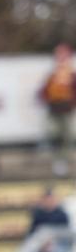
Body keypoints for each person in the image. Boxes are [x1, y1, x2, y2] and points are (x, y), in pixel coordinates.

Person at [39, 44, 76, 175]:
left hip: (67, 111)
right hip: (54, 111)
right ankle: (58, 161)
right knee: (54, 135)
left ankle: (64, 161)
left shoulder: (71, 74)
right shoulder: (52, 75)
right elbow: (43, 92)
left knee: (67, 137)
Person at [28, 188, 72, 252]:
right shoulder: (38, 215)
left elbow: (66, 234)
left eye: (51, 199)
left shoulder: (62, 215)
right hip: (41, 246)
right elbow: (32, 233)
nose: (50, 202)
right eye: (47, 199)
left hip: (59, 246)